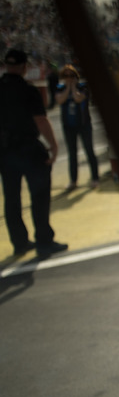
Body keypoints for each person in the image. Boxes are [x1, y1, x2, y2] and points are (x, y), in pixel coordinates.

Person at [0, 48, 68, 257]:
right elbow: (41, 120)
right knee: (39, 195)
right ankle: (44, 242)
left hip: (4, 151)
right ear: (24, 67)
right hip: (28, 148)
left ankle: (20, 243)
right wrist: (54, 146)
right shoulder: (28, 91)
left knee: (11, 199)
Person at [55, 64, 100, 191]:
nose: (68, 78)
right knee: (72, 153)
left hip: (83, 124)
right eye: (66, 75)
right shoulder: (60, 88)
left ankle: (95, 177)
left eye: (71, 75)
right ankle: (73, 180)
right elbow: (60, 100)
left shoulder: (82, 87)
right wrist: (67, 88)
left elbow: (78, 98)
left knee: (89, 150)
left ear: (76, 76)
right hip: (68, 126)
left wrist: (73, 86)